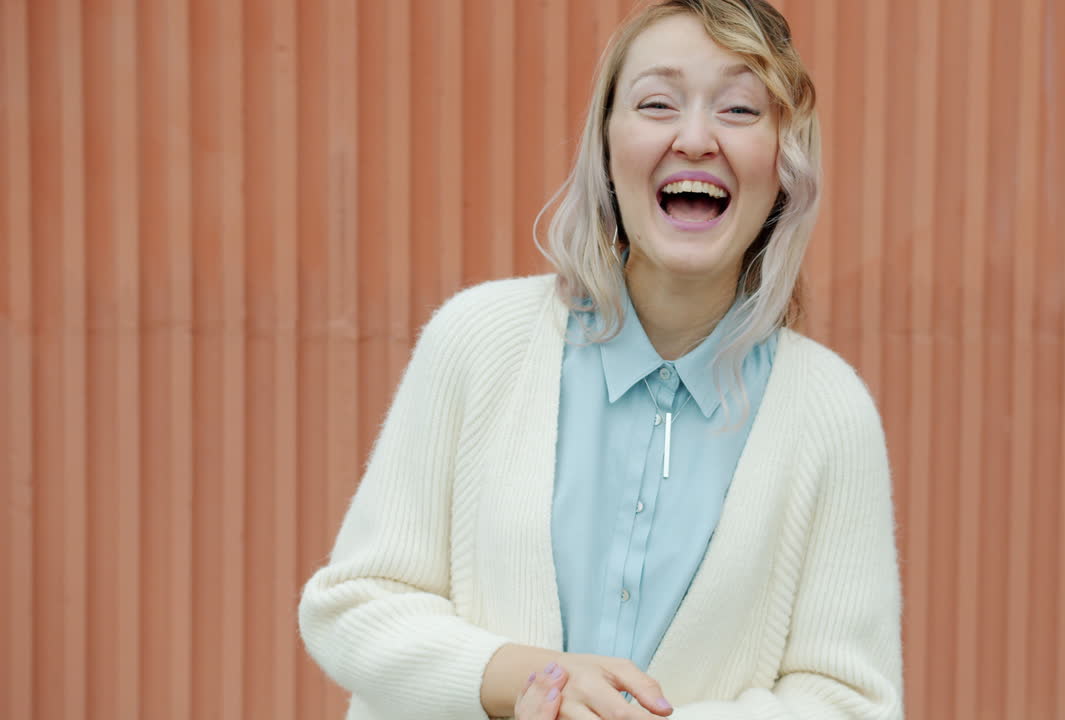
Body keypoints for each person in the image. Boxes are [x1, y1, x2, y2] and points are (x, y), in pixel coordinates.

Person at [297, 1, 903, 719]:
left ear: (785, 159)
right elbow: (355, 608)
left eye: (740, 109)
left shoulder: (830, 413)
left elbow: (849, 703)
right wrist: (531, 680)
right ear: (608, 146)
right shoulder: (477, 340)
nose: (696, 137)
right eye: (657, 103)